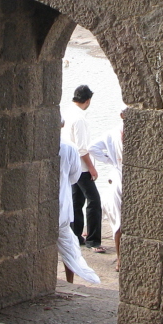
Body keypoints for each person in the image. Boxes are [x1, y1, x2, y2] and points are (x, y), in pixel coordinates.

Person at [63, 84, 104, 252]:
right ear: (87, 100)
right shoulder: (79, 118)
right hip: (81, 167)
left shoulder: (66, 112)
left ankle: (76, 235)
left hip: (70, 165)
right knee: (94, 201)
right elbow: (82, 148)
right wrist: (92, 168)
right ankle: (93, 240)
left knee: (76, 201)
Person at [57, 139, 100, 285]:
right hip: (62, 204)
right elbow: (74, 177)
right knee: (68, 247)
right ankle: (70, 282)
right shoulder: (69, 147)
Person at [88, 115, 123, 270]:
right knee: (118, 223)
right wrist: (111, 160)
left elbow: (92, 148)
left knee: (119, 221)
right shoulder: (114, 134)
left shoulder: (113, 133)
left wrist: (110, 160)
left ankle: (120, 259)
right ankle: (120, 258)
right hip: (119, 178)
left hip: (118, 176)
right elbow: (91, 148)